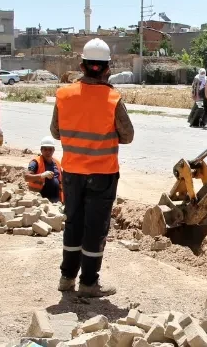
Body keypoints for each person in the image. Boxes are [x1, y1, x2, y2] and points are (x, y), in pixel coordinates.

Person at [50, 38, 134, 298]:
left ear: (82, 66)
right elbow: (128, 135)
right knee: (95, 228)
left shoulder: (64, 95)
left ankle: (67, 278)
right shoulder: (113, 98)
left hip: (73, 172)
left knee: (74, 223)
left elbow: (55, 132)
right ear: (107, 67)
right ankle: (88, 282)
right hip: (102, 174)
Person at [25, 136, 63, 203]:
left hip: (56, 200)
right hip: (40, 200)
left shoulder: (57, 163)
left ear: (54, 150)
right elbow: (26, 177)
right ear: (41, 150)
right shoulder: (35, 162)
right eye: (45, 149)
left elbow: (62, 181)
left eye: (50, 149)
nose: (48, 152)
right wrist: (42, 175)